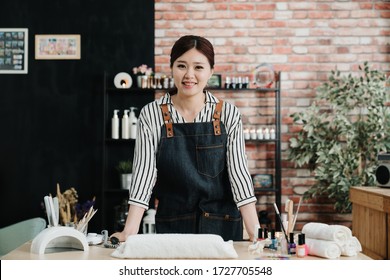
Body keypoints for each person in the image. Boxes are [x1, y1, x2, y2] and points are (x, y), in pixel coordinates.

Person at [111, 35, 259, 242]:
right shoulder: (151, 114)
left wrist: (255, 232)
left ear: (210, 72)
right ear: (172, 68)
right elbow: (144, 175)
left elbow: (239, 175)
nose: (189, 75)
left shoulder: (228, 114)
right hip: (173, 225)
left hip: (222, 225)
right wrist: (129, 231)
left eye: (198, 67)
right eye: (182, 66)